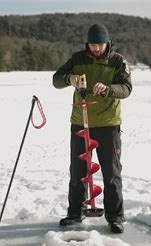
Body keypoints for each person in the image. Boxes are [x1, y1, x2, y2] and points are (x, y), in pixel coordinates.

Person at [52, 24, 132, 233]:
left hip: (108, 124)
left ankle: (115, 216)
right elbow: (56, 80)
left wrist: (109, 89)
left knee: (111, 172)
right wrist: (69, 79)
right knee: (78, 170)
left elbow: (126, 88)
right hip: (80, 121)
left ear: (107, 43)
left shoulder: (117, 61)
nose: (96, 49)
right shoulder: (77, 59)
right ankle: (75, 212)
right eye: (93, 45)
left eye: (100, 45)